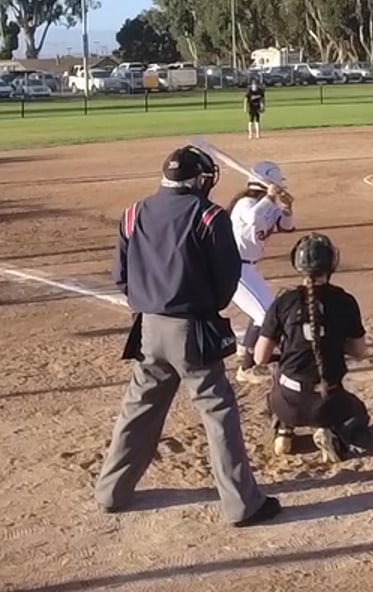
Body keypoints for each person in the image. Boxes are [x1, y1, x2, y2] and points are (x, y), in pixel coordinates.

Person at [94, 145, 280, 526]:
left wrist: (148, 304)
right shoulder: (209, 215)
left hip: (147, 328)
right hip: (192, 328)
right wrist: (204, 306)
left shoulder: (133, 213)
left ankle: (111, 492)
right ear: (198, 180)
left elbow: (120, 275)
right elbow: (226, 279)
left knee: (138, 409)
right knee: (218, 410)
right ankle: (242, 505)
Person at [253, 233, 371, 463]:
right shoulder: (344, 301)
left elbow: (260, 357)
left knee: (279, 378)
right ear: (330, 264)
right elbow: (359, 352)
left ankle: (283, 428)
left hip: (287, 402)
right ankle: (333, 432)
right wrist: (333, 340)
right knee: (359, 413)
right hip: (328, 401)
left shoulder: (284, 301)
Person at [230, 160, 296, 382]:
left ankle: (246, 348)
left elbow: (286, 226)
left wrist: (286, 207)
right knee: (266, 315)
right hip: (233, 267)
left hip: (247, 267)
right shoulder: (245, 204)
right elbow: (252, 219)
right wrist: (270, 197)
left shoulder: (268, 205)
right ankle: (247, 368)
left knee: (265, 308)